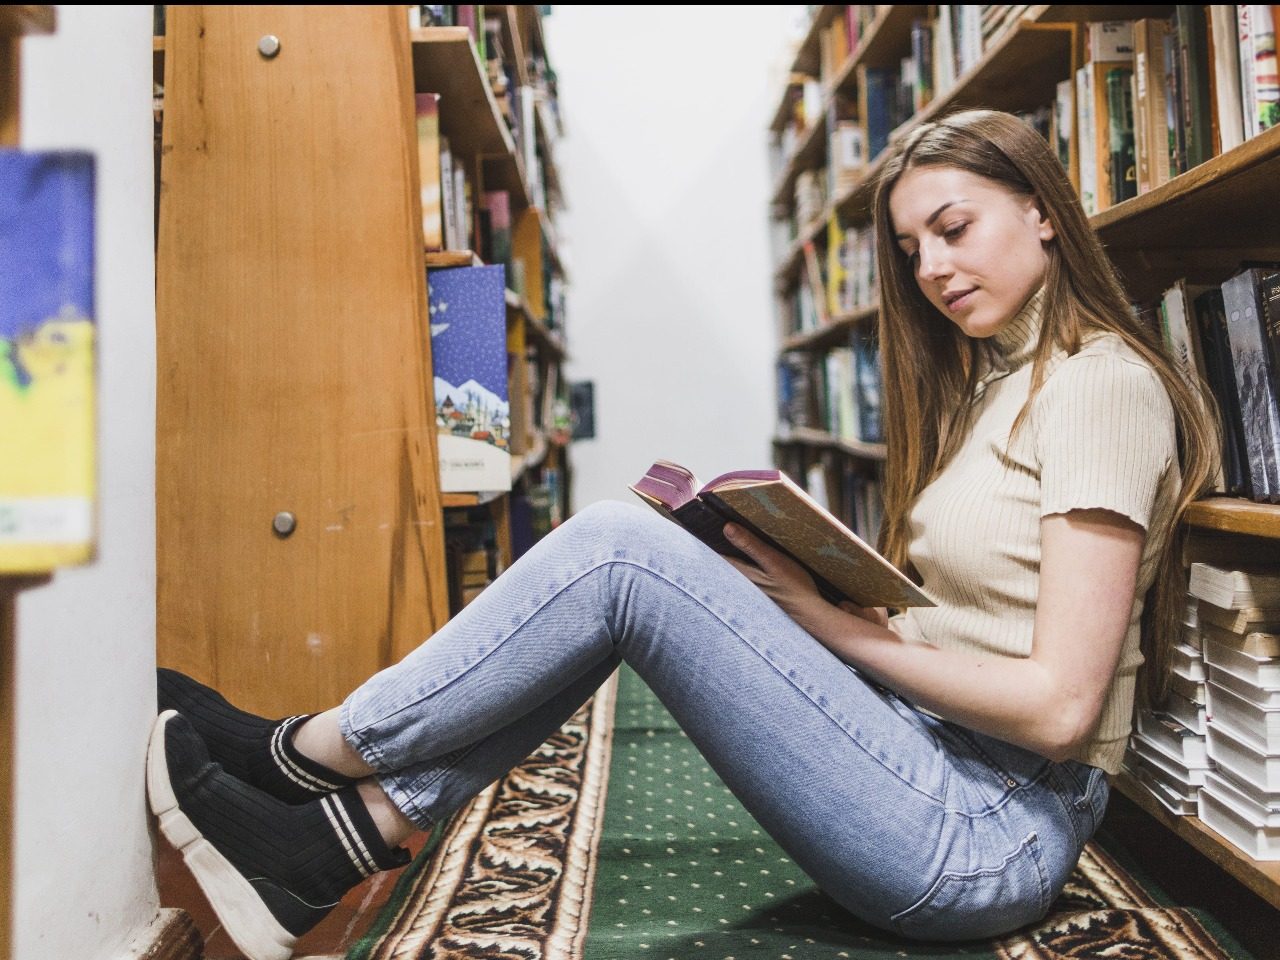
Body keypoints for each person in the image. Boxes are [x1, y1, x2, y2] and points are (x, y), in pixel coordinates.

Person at [148, 109, 1218, 960]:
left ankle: (308, 754)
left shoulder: (1098, 388)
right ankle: (338, 836)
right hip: (930, 759)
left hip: (984, 834)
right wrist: (826, 585)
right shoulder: (995, 383)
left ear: (1040, 211)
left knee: (619, 552)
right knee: (641, 559)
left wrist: (829, 631)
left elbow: (1059, 709)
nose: (931, 270)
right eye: (908, 249)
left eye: (953, 228)